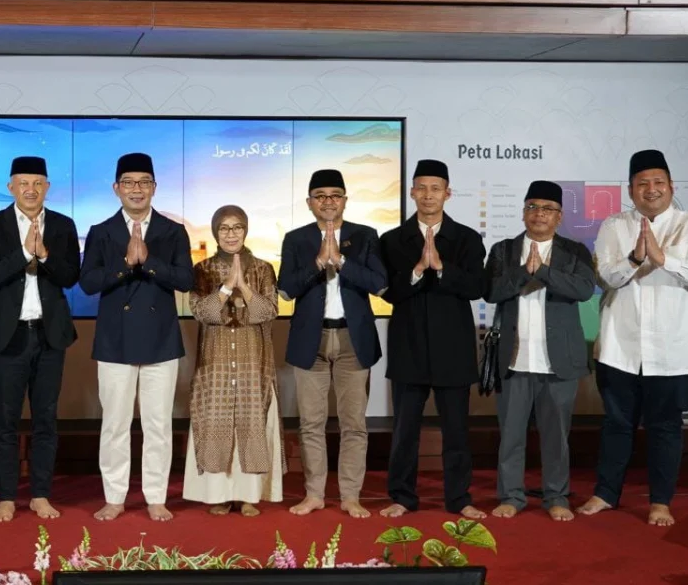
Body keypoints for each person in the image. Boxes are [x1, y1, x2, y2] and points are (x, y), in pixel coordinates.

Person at [577, 150, 688, 527]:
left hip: (675, 350)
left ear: (672, 187)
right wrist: (633, 259)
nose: (651, 189)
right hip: (621, 348)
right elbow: (606, 278)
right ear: (631, 190)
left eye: (658, 182)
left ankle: (661, 502)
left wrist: (664, 260)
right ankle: (605, 493)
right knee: (616, 424)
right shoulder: (614, 225)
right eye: (642, 183)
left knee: (665, 426)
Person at [80, 152, 193, 522]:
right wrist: (126, 266)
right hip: (115, 340)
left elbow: (185, 280)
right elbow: (88, 282)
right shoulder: (100, 231)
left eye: (144, 182)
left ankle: (156, 496)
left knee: (158, 423)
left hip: (160, 338)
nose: (137, 189)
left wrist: (151, 263)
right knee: (115, 422)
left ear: (155, 188)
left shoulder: (173, 231)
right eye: (129, 182)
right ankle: (114, 496)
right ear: (116, 189)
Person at [378, 159, 486, 520]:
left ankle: (459, 498)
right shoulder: (392, 240)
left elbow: (476, 287)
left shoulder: (467, 238)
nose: (428, 195)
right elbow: (388, 293)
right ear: (411, 192)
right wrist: (416, 271)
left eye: (435, 188)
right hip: (408, 346)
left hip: (453, 348)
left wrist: (441, 268)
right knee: (404, 431)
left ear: (447, 193)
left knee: (456, 431)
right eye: (421, 188)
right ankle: (402, 496)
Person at [0, 156, 81, 523]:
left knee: (45, 420)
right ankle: (6, 497)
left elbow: (71, 276)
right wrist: (24, 254)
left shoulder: (63, 225)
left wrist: (45, 255)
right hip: (10, 337)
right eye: (24, 183)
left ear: (47, 187)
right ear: (11, 187)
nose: (31, 189)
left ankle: (40, 494)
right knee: (5, 420)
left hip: (50, 336)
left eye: (38, 183)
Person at [278, 169, 386, 519]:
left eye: (335, 194)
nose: (328, 201)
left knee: (354, 423)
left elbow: (379, 284)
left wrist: (341, 261)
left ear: (345, 200)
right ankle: (314, 494)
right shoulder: (296, 239)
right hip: (312, 338)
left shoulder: (365, 235)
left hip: (354, 338)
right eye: (320, 195)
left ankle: (350, 495)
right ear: (310, 202)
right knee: (311, 423)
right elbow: (286, 289)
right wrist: (317, 264)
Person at [483, 180, 594, 522]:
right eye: (532, 207)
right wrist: (522, 273)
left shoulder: (574, 251)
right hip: (514, 360)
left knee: (556, 437)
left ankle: (556, 497)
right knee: (511, 436)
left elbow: (584, 289)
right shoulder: (503, 250)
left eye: (547, 209)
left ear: (559, 216)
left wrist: (543, 271)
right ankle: (511, 496)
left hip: (558, 361)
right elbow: (490, 291)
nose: (539, 214)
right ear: (523, 212)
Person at [183, 205, 284, 516]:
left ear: (245, 230)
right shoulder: (202, 270)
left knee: (252, 420)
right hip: (215, 362)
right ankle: (220, 495)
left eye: (237, 227)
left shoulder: (264, 268)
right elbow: (203, 313)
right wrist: (226, 287)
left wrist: (244, 287)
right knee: (215, 421)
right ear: (215, 232)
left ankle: (249, 495)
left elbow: (267, 312)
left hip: (254, 360)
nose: (230, 234)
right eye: (224, 228)